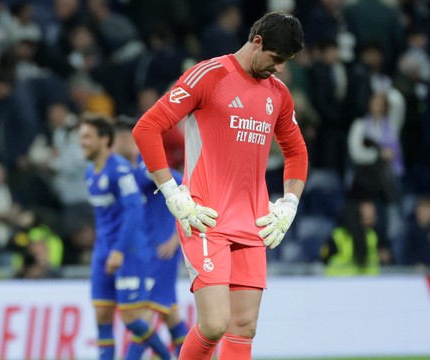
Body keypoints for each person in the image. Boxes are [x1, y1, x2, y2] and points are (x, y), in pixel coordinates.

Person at [132, 12, 308, 360]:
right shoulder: (210, 75)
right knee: (214, 324)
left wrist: (290, 202)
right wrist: (171, 193)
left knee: (244, 327)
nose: (279, 69)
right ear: (256, 42)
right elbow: (146, 128)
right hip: (205, 217)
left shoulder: (279, 94)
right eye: (275, 60)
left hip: (254, 222)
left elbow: (296, 150)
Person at [79, 116, 170, 360]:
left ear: (104, 140)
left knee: (131, 319)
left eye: (87, 137)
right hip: (103, 252)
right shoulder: (90, 172)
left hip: (128, 252)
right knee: (102, 316)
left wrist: (119, 250)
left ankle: (166, 356)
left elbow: (134, 212)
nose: (82, 142)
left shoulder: (120, 171)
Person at [113, 118, 188, 357]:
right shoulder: (122, 174)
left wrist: (176, 238)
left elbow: (187, 189)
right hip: (145, 253)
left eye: (116, 139)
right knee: (170, 315)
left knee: (142, 316)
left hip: (161, 252)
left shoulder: (146, 171)